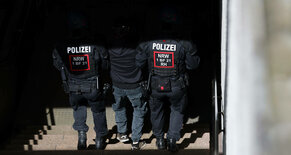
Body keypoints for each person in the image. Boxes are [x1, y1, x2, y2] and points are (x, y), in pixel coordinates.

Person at [135, 6, 200, 152]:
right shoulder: (184, 42)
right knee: (177, 110)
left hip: (155, 85)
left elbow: (138, 63)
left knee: (156, 112)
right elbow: (193, 65)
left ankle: (159, 140)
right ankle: (172, 139)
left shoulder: (148, 42)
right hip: (177, 85)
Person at [52, 10, 109, 150]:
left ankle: (82, 137)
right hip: (93, 86)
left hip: (73, 86)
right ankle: (100, 140)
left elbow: (58, 64)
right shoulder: (96, 44)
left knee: (78, 109)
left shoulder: (61, 45)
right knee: (98, 111)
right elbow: (105, 64)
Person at [108, 17, 148, 150]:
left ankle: (122, 133)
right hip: (135, 85)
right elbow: (142, 62)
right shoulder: (137, 47)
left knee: (119, 108)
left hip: (117, 85)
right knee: (139, 110)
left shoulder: (110, 47)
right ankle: (135, 141)